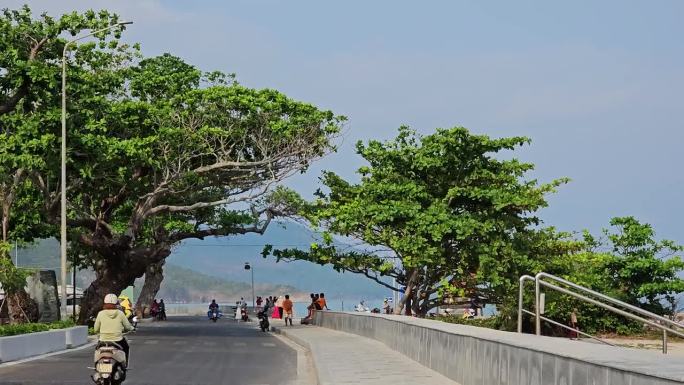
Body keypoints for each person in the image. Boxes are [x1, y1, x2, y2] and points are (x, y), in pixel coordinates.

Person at [94, 294, 134, 365]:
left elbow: (96, 329)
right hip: (118, 340)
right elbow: (127, 327)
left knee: (97, 350)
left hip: (103, 340)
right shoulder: (120, 313)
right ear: (116, 303)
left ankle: (96, 366)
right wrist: (132, 328)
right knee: (126, 348)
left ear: (105, 303)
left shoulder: (101, 314)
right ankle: (125, 365)